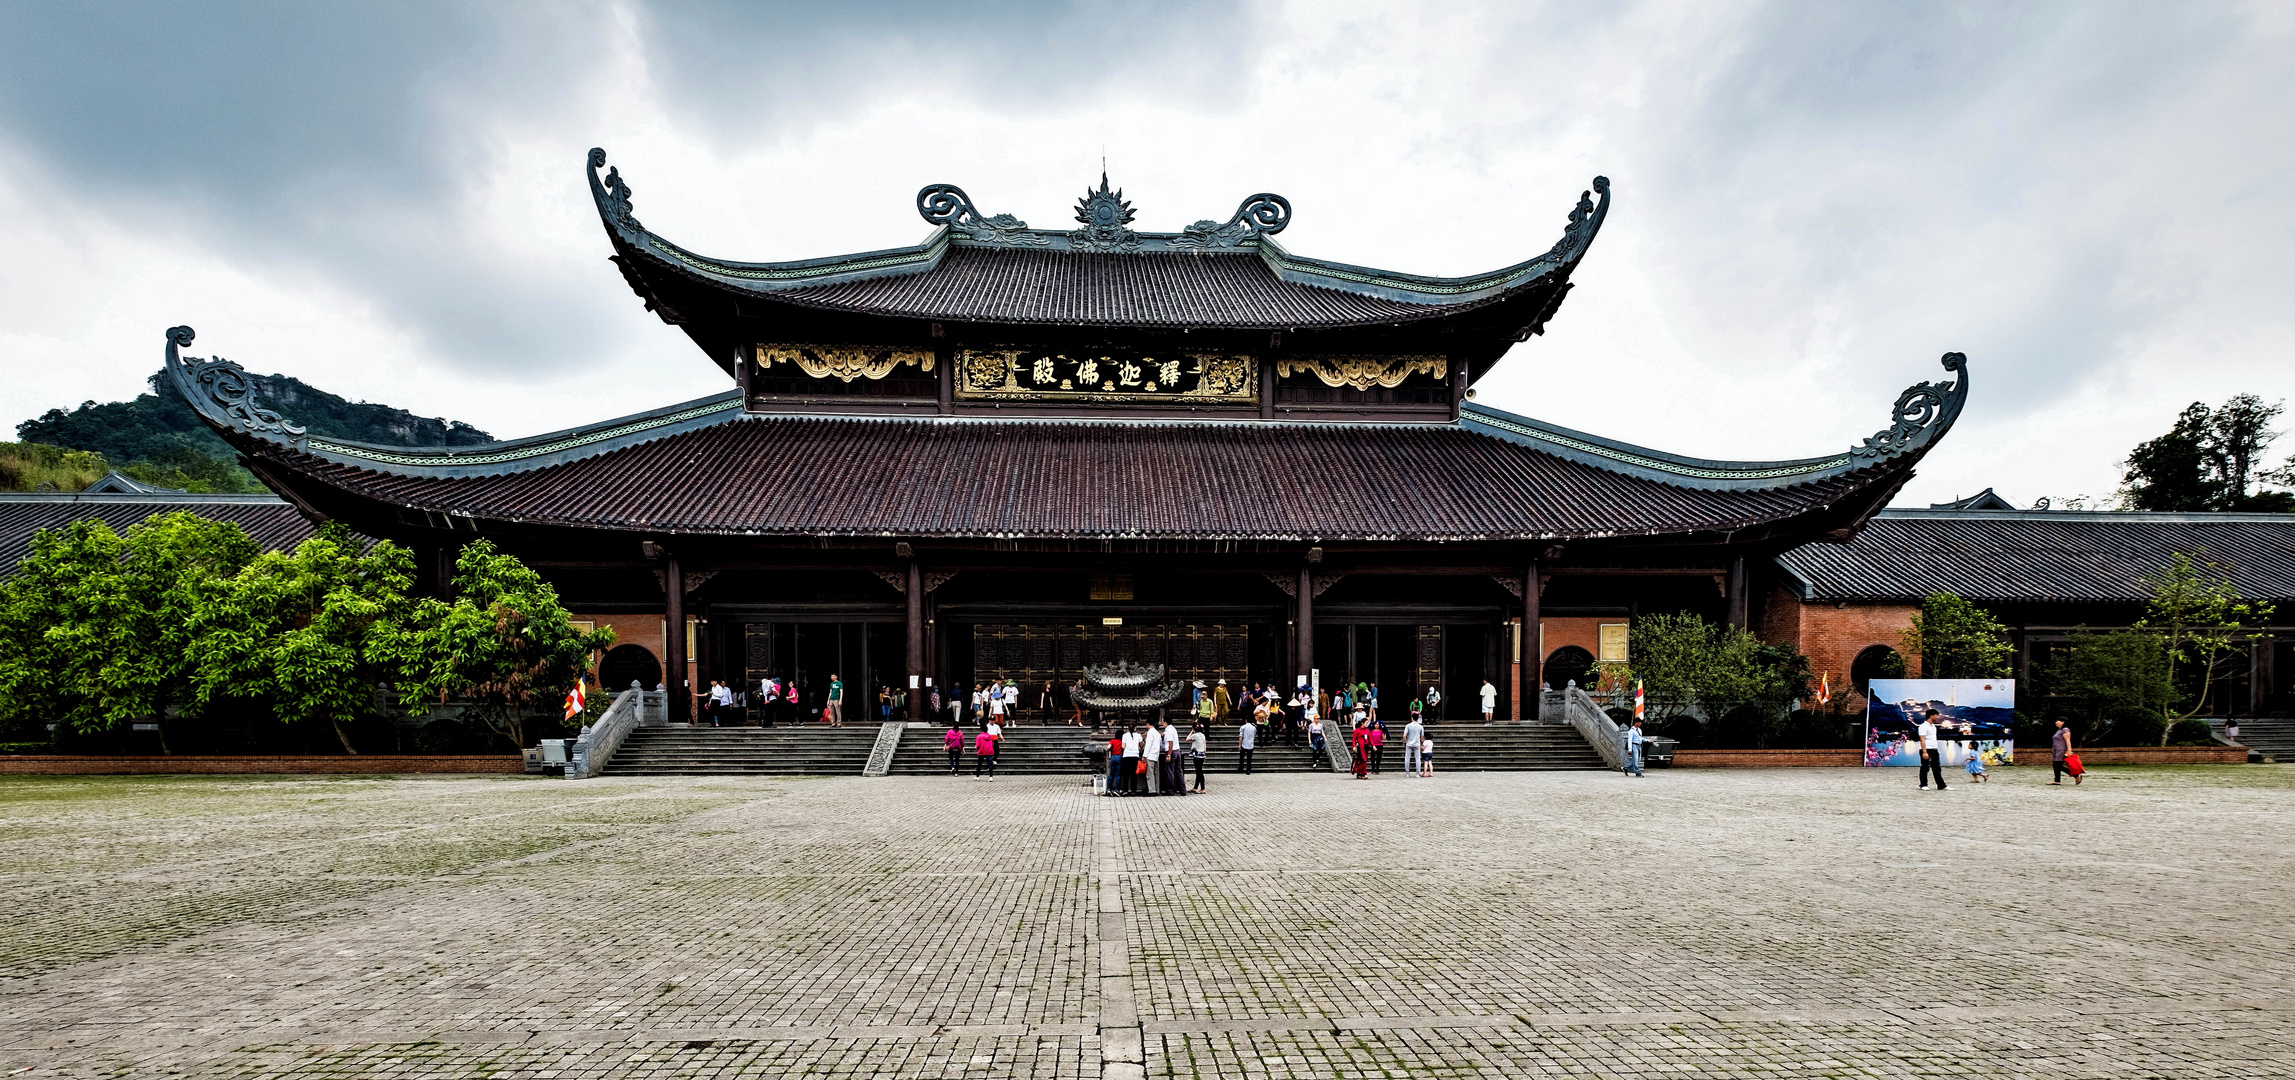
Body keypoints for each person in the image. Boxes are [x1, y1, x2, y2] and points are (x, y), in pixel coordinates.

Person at [1916, 709, 1947, 790]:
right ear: (1931, 715)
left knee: (1937, 768)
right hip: (1927, 749)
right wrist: (1924, 752)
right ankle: (1923, 785)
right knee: (1925, 768)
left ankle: (1941, 785)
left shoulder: (1933, 726)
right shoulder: (1923, 727)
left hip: (1934, 749)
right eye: (1936, 715)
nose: (1937, 717)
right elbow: (1922, 740)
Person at [2049, 718, 2075, 786]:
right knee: (2055, 765)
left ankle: (2075, 775)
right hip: (2056, 750)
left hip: (2061, 750)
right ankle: (2057, 780)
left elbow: (2068, 740)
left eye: (2057, 721)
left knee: (2058, 766)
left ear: (2063, 722)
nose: (2056, 722)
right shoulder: (2059, 730)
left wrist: (2069, 750)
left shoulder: (2065, 730)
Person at [1143, 720, 1165, 795]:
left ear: (1148, 724)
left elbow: (1148, 745)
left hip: (1150, 755)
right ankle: (1157, 789)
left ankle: (1152, 790)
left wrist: (1144, 756)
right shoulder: (1157, 733)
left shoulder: (1150, 733)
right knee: (1156, 774)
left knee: (1150, 774)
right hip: (1156, 755)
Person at [1119, 724, 1142, 795]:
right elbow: (1141, 745)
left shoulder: (1125, 735)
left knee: (1126, 774)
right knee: (1134, 774)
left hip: (1126, 755)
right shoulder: (1138, 735)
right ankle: (1133, 790)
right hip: (1135, 755)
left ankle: (1125, 790)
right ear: (1135, 728)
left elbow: (1123, 746)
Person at [1103, 728, 1125, 795]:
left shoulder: (1112, 741)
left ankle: (1109, 789)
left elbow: (1108, 747)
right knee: (1118, 774)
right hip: (1119, 757)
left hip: (1113, 757)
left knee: (1111, 774)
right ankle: (1116, 789)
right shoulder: (1121, 741)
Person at [1403, 712, 1425, 777]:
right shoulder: (1420, 727)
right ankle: (1417, 773)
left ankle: (1407, 773)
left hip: (1409, 743)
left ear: (1412, 718)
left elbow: (1404, 735)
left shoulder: (1408, 726)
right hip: (1417, 743)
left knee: (1407, 758)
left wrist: (1404, 741)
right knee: (1418, 759)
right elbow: (1422, 737)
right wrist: (1420, 742)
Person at [1189, 722, 1209, 793]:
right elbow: (1205, 745)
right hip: (1202, 754)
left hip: (1197, 754)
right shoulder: (1202, 735)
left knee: (1199, 771)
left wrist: (1191, 731)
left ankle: (1203, 788)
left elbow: (1187, 738)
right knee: (1199, 770)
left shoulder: (1195, 735)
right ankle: (1195, 787)